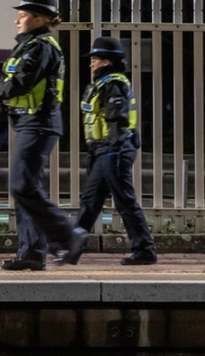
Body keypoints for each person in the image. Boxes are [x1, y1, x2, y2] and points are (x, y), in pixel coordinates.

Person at [0, 0, 87, 271]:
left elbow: (21, 82)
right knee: (24, 189)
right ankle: (32, 251)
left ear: (39, 18)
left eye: (23, 15)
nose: (16, 20)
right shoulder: (30, 46)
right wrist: (3, 102)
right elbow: (20, 85)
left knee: (22, 186)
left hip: (39, 125)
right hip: (29, 124)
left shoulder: (41, 47)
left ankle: (69, 237)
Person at [74, 36, 157, 265]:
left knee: (124, 200)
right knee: (90, 201)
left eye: (94, 59)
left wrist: (113, 150)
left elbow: (117, 121)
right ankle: (71, 247)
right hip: (102, 150)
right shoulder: (102, 83)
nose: (90, 63)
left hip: (115, 149)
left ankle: (145, 250)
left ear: (106, 61)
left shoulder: (113, 83)